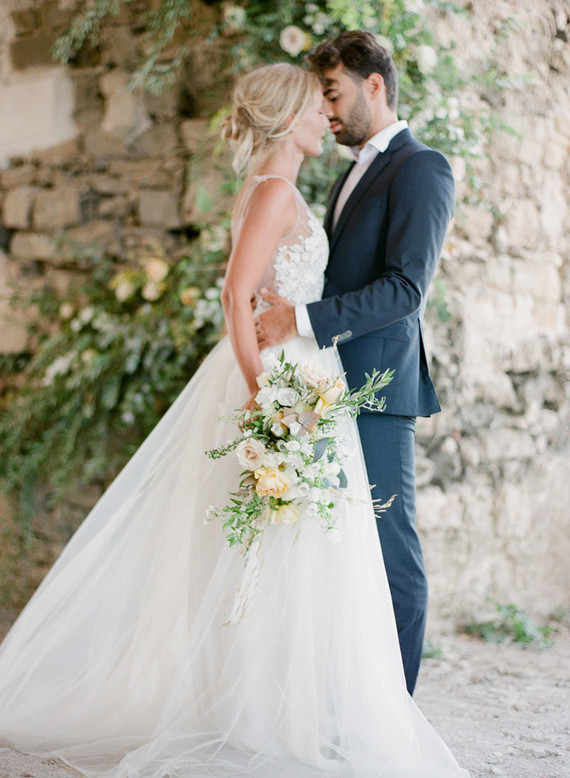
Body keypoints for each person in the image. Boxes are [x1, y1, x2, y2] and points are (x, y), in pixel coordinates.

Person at [0, 64, 468, 777]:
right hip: (286, 385)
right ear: (288, 119)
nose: (327, 119)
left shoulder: (308, 184)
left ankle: (329, 705)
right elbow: (235, 296)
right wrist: (263, 396)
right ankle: (272, 709)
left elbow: (374, 285)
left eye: (332, 101)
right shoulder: (279, 190)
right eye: (318, 107)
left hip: (317, 381)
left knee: (319, 553)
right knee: (280, 552)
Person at [255, 31, 456, 695]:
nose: (328, 110)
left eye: (334, 94)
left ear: (375, 85)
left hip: (379, 390)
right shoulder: (351, 170)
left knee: (390, 553)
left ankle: (395, 713)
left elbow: (406, 289)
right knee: (344, 556)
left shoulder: (422, 167)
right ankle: (348, 703)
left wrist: (299, 320)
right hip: (331, 387)